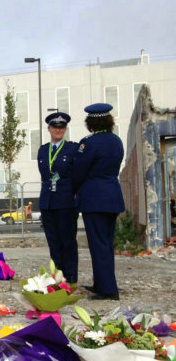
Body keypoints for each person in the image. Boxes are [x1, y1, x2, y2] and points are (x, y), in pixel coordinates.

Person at [73, 103, 125, 300]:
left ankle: (108, 290)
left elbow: (79, 171)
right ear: (109, 121)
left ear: (90, 122)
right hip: (112, 196)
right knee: (106, 243)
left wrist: (74, 190)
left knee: (98, 244)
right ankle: (102, 283)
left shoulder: (89, 143)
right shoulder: (116, 141)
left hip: (94, 198)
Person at [37, 112, 79, 283]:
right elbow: (44, 176)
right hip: (47, 202)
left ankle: (70, 277)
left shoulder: (73, 149)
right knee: (53, 242)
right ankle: (57, 277)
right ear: (49, 129)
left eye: (61, 127)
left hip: (66, 201)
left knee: (67, 241)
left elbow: (78, 174)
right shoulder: (43, 150)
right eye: (55, 127)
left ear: (65, 129)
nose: (58, 130)